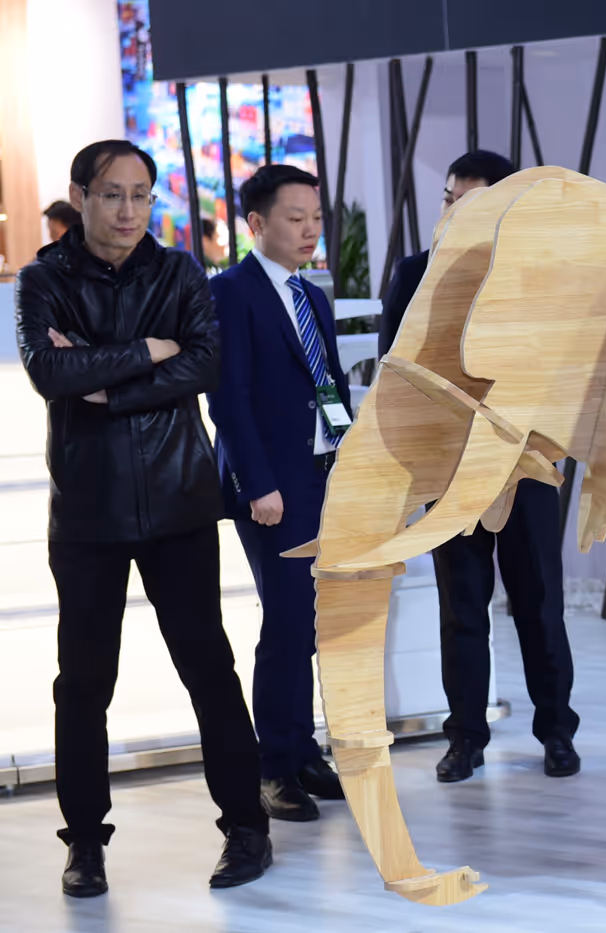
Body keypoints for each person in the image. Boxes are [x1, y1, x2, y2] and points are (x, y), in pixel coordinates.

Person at [15, 140, 270, 897]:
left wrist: (107, 383)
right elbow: (48, 372)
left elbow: (205, 364)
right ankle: (85, 842)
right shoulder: (42, 279)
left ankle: (246, 827)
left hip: (178, 501)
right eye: (113, 194)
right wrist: (149, 350)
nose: (129, 211)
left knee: (209, 669)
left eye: (141, 195)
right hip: (87, 509)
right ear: (82, 196)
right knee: (85, 682)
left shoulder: (179, 270)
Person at [379, 150, 581, 783]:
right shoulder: (413, 274)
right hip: (449, 472)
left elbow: (563, 372)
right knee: (461, 609)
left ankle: (556, 731)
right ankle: (464, 737)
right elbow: (396, 373)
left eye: (469, 201)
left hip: (523, 466)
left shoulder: (537, 275)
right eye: (447, 199)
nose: (453, 211)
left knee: (540, 606)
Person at [208, 165, 352, 822]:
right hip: (273, 487)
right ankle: (273, 767)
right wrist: (257, 483)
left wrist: (349, 451)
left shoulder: (311, 294)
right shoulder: (231, 292)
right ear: (257, 223)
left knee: (313, 623)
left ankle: (303, 750)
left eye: (316, 218)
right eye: (296, 218)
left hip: (322, 475)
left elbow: (329, 387)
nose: (310, 230)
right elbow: (228, 398)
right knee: (288, 620)